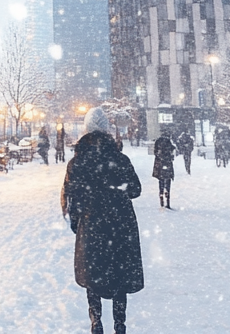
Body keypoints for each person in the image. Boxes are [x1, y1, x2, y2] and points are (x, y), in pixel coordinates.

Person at [61, 107, 144, 334]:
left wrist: (78, 222)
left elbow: (70, 199)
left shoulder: (77, 163)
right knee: (119, 276)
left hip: (92, 226)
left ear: (85, 132)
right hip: (120, 226)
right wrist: (117, 190)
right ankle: (120, 325)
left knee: (93, 275)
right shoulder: (119, 159)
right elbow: (136, 190)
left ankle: (95, 321)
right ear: (107, 131)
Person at [152, 131, 176, 209]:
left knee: (161, 182)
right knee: (168, 182)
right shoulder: (168, 142)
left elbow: (155, 152)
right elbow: (172, 150)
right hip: (167, 164)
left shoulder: (158, 141)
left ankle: (161, 199)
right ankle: (167, 200)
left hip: (159, 165)